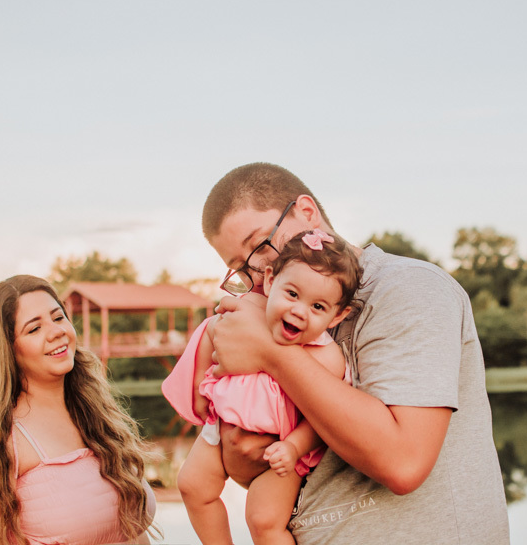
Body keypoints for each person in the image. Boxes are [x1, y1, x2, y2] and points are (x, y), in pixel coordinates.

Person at [200, 162, 510, 544]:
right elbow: (248, 459)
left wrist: (271, 355)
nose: (260, 269)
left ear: (307, 213)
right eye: (240, 269)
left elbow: (403, 462)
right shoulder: (274, 317)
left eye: (261, 245)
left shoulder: (409, 289)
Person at [163, 229, 360, 545]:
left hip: (280, 451)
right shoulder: (249, 310)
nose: (299, 310)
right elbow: (213, 329)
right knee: (192, 485)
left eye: (318, 307)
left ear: (338, 316)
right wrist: (201, 380)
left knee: (263, 519)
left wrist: (293, 447)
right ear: (270, 281)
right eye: (292, 294)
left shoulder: (326, 357)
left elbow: (321, 419)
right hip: (220, 428)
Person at [0, 275, 157, 545]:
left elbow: (133, 531)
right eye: (34, 329)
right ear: (8, 351)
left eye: (58, 318)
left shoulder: (97, 418)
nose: (56, 331)